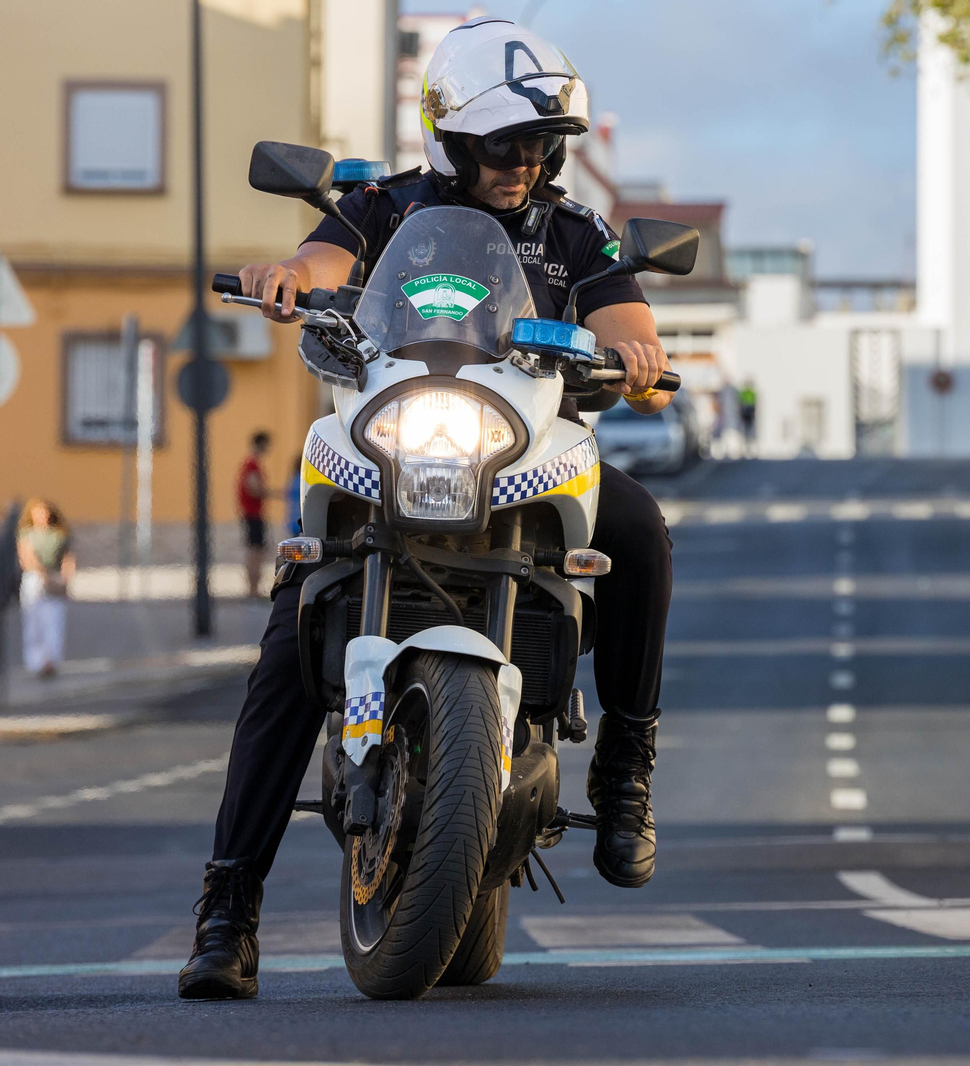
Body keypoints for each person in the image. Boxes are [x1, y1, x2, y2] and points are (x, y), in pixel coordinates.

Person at [179, 19, 675, 1000]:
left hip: (528, 454)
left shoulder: (577, 231)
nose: (523, 162)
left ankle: (626, 763)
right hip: (387, 440)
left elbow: (626, 320)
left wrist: (640, 354)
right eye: (503, 144)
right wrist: (290, 279)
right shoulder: (381, 206)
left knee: (641, 533)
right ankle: (227, 911)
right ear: (449, 135)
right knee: (290, 632)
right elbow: (321, 262)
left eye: (538, 145)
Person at [15, 499, 74, 678]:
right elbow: (27, 557)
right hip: (34, 578)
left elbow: (67, 558)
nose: (43, 515)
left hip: (55, 577)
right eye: (38, 512)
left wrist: (64, 581)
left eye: (45, 512)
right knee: (34, 620)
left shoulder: (58, 535)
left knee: (54, 620)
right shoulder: (26, 534)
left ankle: (51, 660)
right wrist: (44, 577)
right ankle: (35, 661)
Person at [238, 432, 271, 598]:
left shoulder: (250, 463)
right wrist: (268, 492)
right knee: (255, 551)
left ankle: (253, 589)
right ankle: (252, 590)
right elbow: (252, 488)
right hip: (253, 514)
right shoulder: (252, 464)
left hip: (252, 513)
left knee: (256, 550)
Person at [738, 380, 758, 455]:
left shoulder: (751, 393)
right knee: (745, 430)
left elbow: (754, 404)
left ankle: (749, 446)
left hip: (749, 413)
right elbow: (740, 403)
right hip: (745, 413)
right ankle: (745, 447)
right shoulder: (744, 393)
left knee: (749, 430)